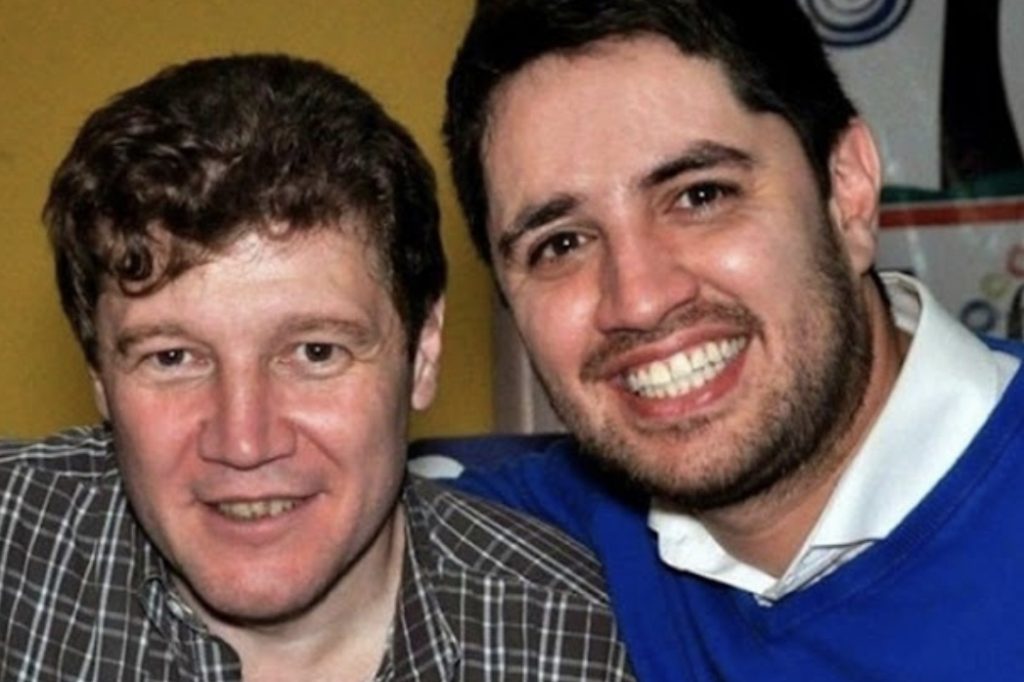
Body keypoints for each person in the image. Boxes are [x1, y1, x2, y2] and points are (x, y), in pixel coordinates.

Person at [0, 54, 635, 682]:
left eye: (316, 352)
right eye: (172, 358)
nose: (244, 443)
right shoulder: (14, 552)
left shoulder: (576, 643)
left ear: (423, 351)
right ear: (99, 374)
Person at [442, 0, 1024, 679]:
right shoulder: (525, 544)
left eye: (701, 196)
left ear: (847, 190)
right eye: (562, 243)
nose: (640, 299)